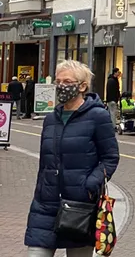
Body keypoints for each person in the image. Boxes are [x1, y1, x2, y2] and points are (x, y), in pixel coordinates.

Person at [24, 60, 119, 257]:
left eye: (67, 81)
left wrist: (90, 184)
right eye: (58, 81)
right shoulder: (51, 119)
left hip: (80, 206)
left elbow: (110, 157)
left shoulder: (98, 116)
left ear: (82, 86)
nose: (61, 86)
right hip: (45, 205)